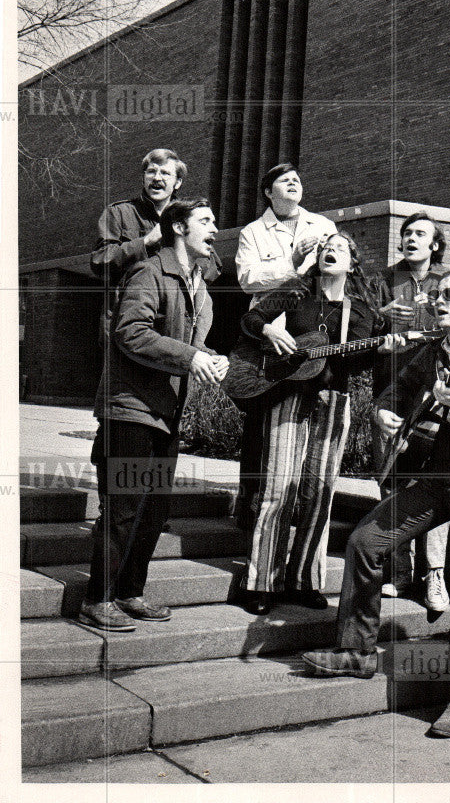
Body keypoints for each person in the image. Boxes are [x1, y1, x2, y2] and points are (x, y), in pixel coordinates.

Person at [302, 271, 450, 739]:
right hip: (437, 474)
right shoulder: (431, 352)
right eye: (436, 295)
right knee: (365, 541)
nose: (437, 302)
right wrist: (382, 411)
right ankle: (356, 652)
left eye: (448, 296)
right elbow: (393, 392)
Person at [81, 199, 229, 631]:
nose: (216, 228)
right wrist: (189, 356)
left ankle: (130, 592)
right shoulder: (149, 271)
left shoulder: (200, 287)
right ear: (179, 228)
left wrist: (210, 358)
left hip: (168, 416)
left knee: (152, 511)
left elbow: (189, 349)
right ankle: (96, 597)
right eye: (206, 221)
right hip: (130, 414)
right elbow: (130, 332)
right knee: (123, 508)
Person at [235, 230, 395, 615]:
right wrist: (270, 328)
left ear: (352, 264)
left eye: (340, 248)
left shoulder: (361, 312)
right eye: (326, 247)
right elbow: (251, 318)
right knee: (277, 489)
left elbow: (353, 362)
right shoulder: (294, 293)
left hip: (332, 400)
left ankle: (305, 579)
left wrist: (383, 349)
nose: (330, 252)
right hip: (285, 393)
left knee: (319, 493)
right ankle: (262, 583)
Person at [233, 163, 337, 533]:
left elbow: (335, 272)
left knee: (303, 413)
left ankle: (292, 504)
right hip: (269, 331)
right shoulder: (252, 232)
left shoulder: (322, 226)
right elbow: (247, 279)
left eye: (297, 179)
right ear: (267, 191)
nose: (294, 183)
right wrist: (292, 264)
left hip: (309, 327)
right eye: (284, 180)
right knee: (261, 417)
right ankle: (250, 501)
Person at [373, 212, 450, 612]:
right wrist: (381, 319)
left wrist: (435, 312)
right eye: (406, 233)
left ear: (435, 244)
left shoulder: (447, 283)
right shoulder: (382, 281)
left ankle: (434, 574)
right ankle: (397, 573)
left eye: (420, 233)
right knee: (390, 479)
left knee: (432, 481)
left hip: (430, 395)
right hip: (390, 391)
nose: (411, 238)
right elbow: (358, 333)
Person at [90, 148, 220, 341]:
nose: (156, 178)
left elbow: (214, 266)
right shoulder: (119, 212)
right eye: (151, 172)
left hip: (175, 321)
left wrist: (187, 269)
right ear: (143, 178)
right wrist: (145, 242)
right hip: (127, 319)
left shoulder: (188, 216)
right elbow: (100, 261)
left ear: (177, 183)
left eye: (165, 173)